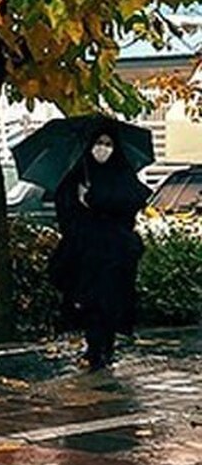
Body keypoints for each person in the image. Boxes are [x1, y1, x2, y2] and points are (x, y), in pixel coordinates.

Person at [51, 131, 149, 371]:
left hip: (115, 254)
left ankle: (104, 347)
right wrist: (78, 204)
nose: (102, 149)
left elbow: (131, 203)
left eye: (107, 144)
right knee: (88, 301)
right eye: (97, 143)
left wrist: (96, 200)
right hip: (85, 251)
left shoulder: (121, 175)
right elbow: (64, 211)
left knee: (110, 302)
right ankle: (95, 348)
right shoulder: (77, 175)